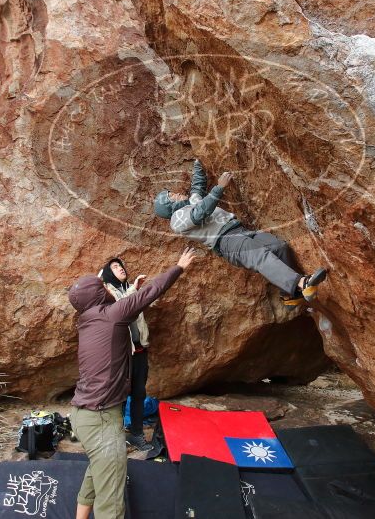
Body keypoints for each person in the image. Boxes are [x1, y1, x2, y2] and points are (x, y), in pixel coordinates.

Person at [69, 248, 196, 519]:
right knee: (111, 497)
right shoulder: (112, 315)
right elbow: (150, 293)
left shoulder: (86, 320)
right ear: (97, 294)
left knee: (97, 470)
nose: (106, 285)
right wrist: (179, 267)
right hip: (101, 418)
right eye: (102, 284)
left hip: (82, 414)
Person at [153, 159, 326, 306]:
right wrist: (219, 188)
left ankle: (290, 296)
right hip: (226, 241)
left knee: (278, 246)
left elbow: (197, 186)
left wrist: (198, 163)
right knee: (259, 256)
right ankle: (303, 284)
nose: (176, 194)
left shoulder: (192, 201)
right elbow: (200, 213)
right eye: (172, 197)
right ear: (169, 207)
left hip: (238, 230)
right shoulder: (177, 219)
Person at [97, 257, 153, 453]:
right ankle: (114, 437)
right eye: (114, 267)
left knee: (139, 394)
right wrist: (134, 290)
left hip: (139, 352)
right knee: (117, 396)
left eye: (121, 265)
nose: (120, 268)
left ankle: (136, 434)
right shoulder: (106, 292)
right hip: (120, 355)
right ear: (106, 273)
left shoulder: (129, 288)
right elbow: (121, 308)